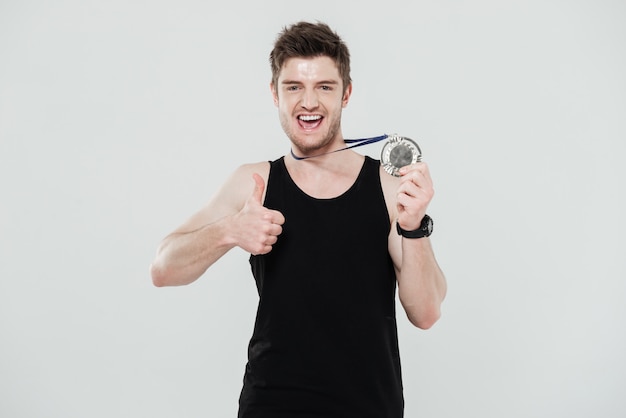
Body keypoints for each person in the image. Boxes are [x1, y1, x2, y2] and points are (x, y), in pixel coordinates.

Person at [150, 21, 446, 418]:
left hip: (369, 407)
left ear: (347, 94)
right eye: (294, 87)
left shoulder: (389, 187)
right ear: (275, 94)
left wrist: (414, 224)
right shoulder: (254, 182)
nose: (309, 102)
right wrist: (229, 230)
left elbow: (426, 313)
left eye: (324, 87)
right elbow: (163, 268)